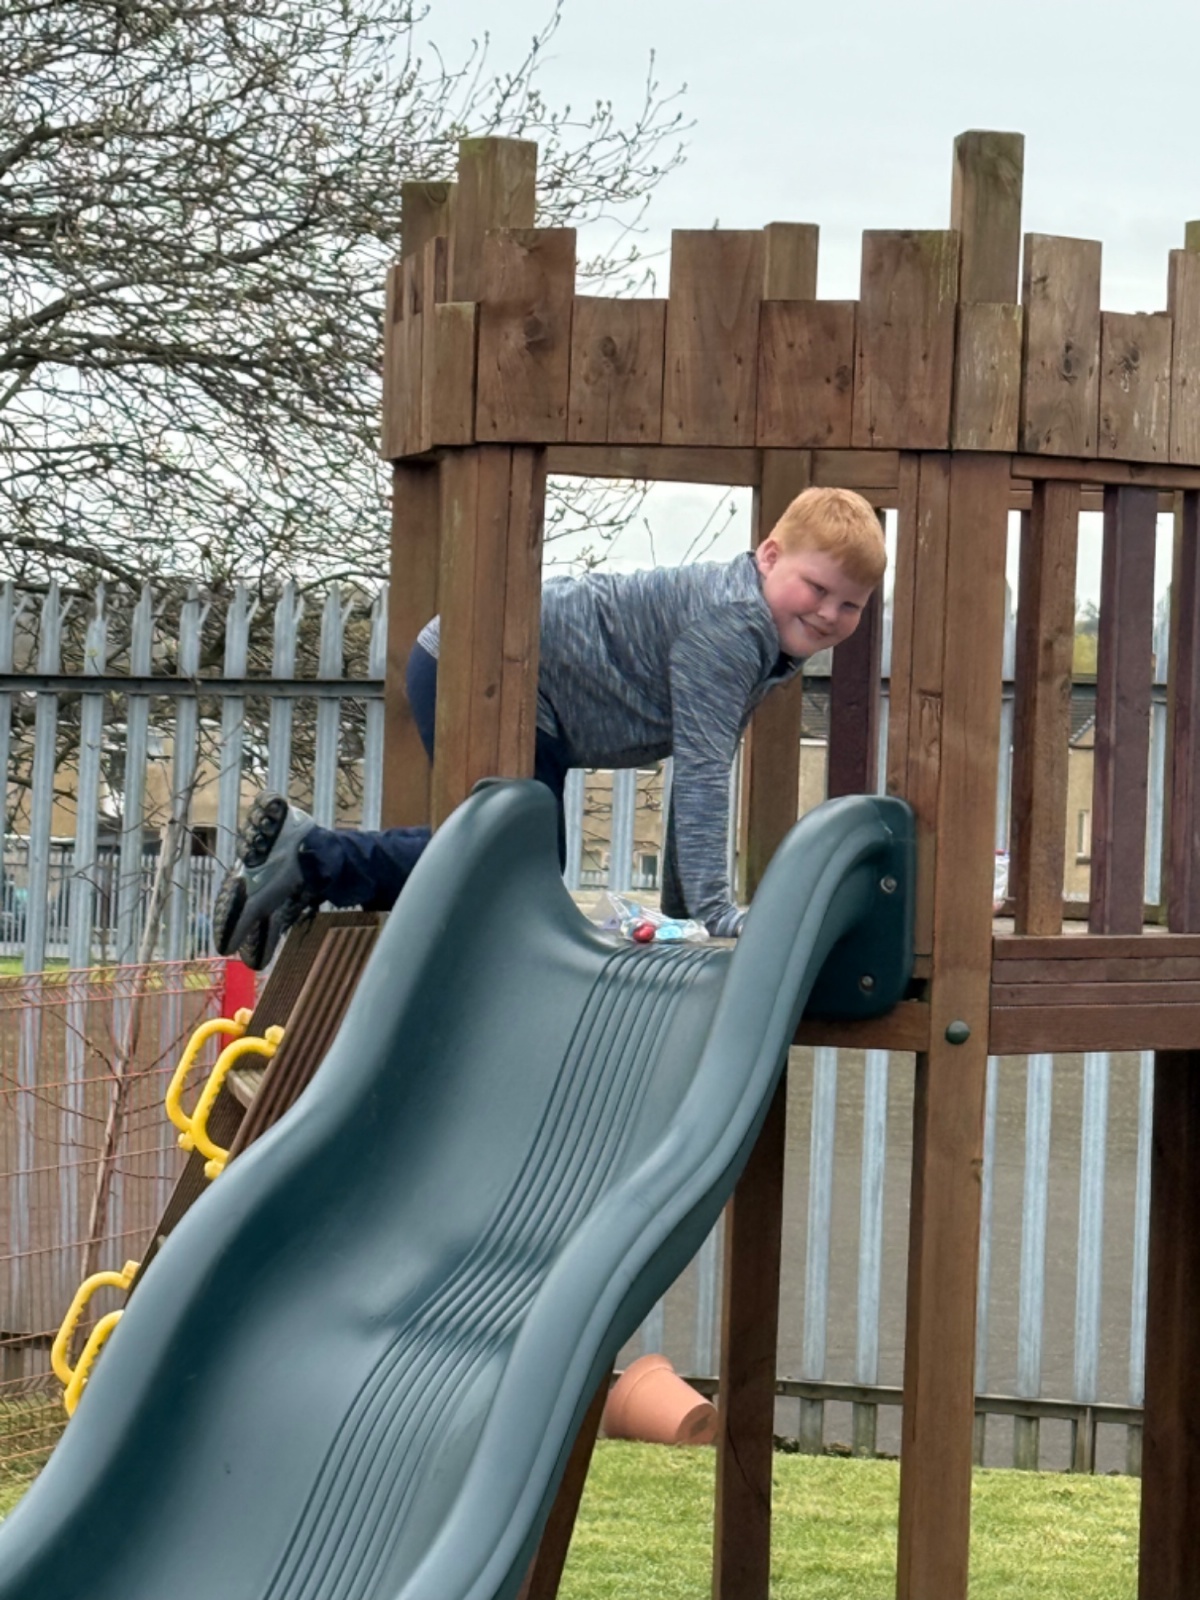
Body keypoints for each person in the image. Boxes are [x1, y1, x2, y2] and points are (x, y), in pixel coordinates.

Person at [214, 486, 886, 969]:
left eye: (851, 605)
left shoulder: (762, 634)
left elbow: (697, 765)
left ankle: (310, 873)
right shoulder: (733, 628)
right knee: (513, 864)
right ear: (769, 556)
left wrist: (684, 918)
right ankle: (311, 856)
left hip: (515, 684)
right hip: (491, 672)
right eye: (816, 587)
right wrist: (715, 913)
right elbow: (705, 774)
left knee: (511, 860)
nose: (829, 614)